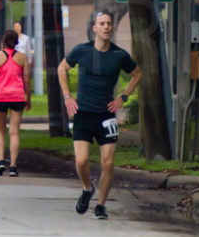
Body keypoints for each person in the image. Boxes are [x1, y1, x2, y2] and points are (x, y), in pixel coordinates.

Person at [57, 11, 142, 220]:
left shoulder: (119, 55)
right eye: (101, 24)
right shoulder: (81, 51)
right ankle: (88, 189)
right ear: (94, 28)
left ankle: (101, 206)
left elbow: (137, 74)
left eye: (109, 24)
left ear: (112, 29)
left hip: (106, 115)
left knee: (108, 163)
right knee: (81, 161)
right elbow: (61, 68)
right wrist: (67, 97)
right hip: (83, 113)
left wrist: (123, 97)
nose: (106, 27)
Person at [0, 29, 31, 176]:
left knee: (0, 131)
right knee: (14, 132)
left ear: (3, 42)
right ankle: (13, 166)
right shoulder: (23, 57)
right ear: (17, 42)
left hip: (0, 97)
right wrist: (28, 98)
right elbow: (26, 81)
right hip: (18, 97)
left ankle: (0, 161)